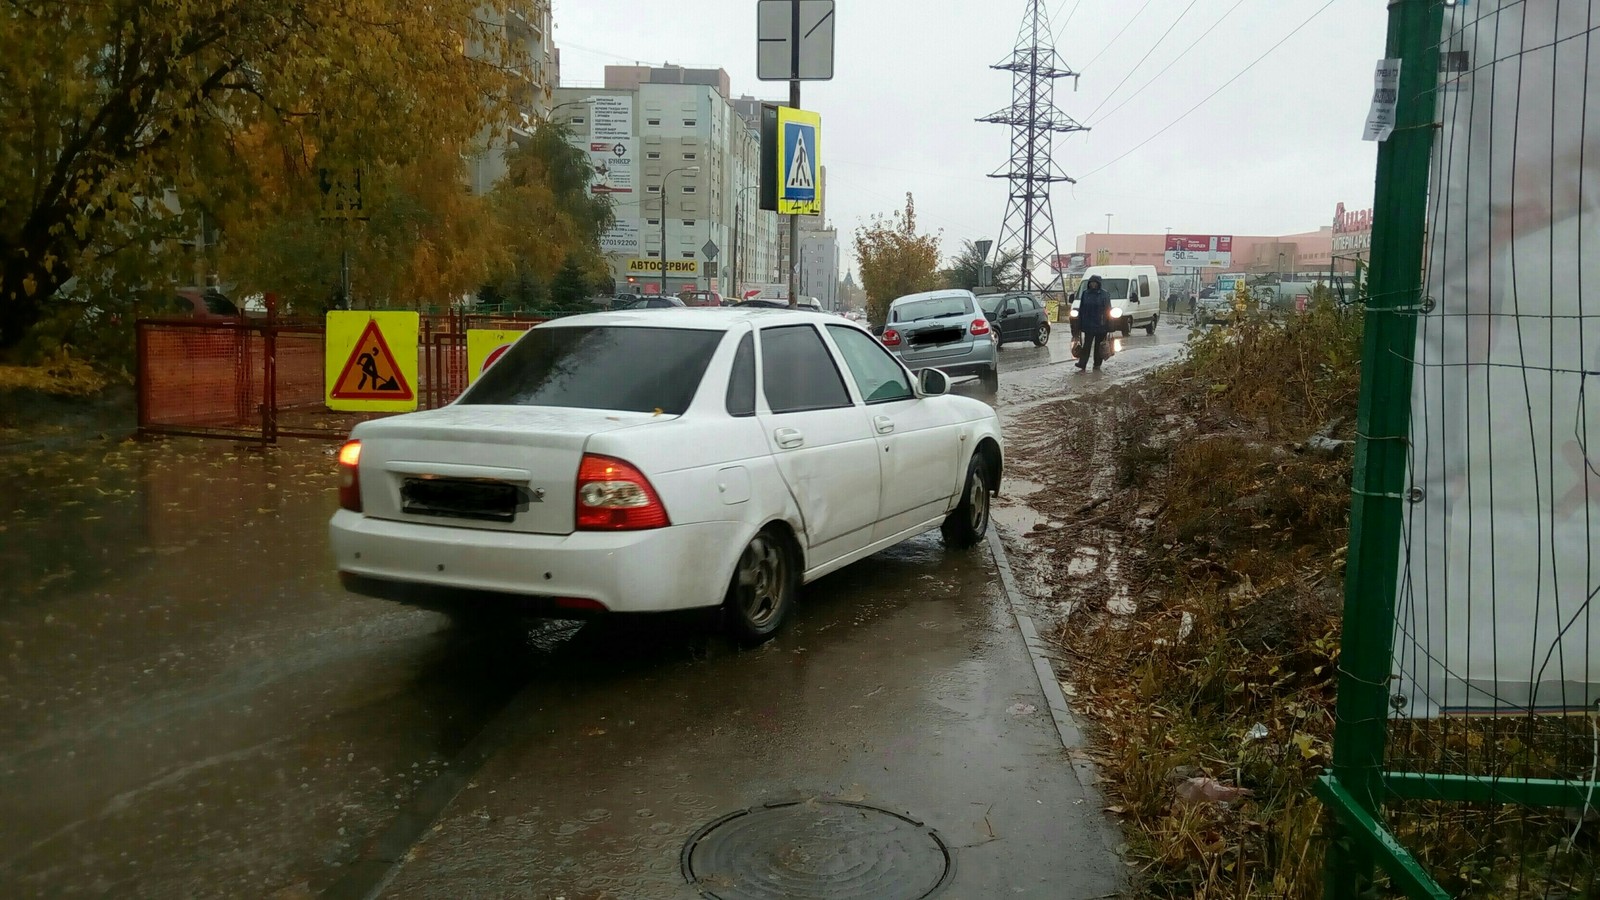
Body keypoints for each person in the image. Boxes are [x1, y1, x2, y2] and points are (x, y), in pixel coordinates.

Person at [1075, 274, 1112, 371]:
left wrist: (1109, 325)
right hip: (1088, 325)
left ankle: (1097, 364)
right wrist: (1079, 324)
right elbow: (1081, 309)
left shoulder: (1104, 294)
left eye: (1095, 283)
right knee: (1086, 345)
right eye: (1091, 283)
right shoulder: (1085, 293)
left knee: (1098, 347)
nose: (1093, 285)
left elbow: (1108, 310)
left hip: (1101, 325)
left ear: (1099, 284)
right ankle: (1082, 363)